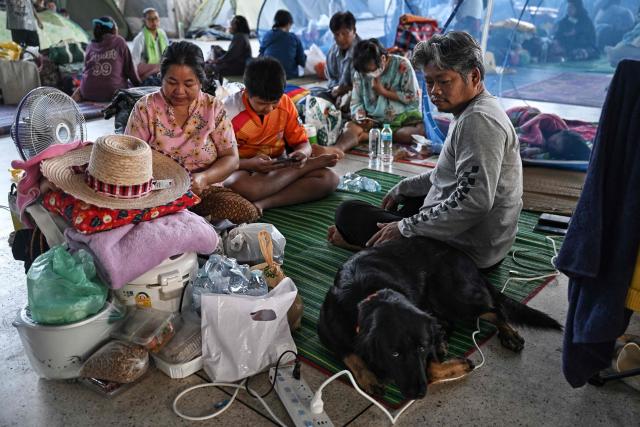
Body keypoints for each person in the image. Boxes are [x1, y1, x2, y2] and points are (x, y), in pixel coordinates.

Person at [327, 32, 523, 271]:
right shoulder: (471, 110)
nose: (434, 91)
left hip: (468, 254)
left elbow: (475, 202)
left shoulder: (478, 121)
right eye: (430, 82)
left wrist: (405, 227)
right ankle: (388, 244)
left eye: (444, 81)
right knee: (406, 198)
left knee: (348, 213)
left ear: (474, 76)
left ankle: (367, 250)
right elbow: (446, 176)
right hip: (480, 240)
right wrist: (405, 187)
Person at [125, 41, 260, 224]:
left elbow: (231, 158)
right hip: (156, 194)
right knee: (133, 218)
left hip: (203, 191)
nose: (180, 91)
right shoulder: (145, 108)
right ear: (161, 78)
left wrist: (204, 178)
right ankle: (185, 225)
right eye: (172, 82)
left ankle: (185, 224)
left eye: (189, 84)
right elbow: (130, 159)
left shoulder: (213, 108)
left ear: (200, 81)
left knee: (245, 212)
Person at [222, 57, 340, 212]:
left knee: (330, 180)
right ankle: (304, 168)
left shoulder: (285, 103)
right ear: (247, 92)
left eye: (274, 102)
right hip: (243, 170)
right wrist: (249, 164)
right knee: (238, 186)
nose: (269, 109)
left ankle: (264, 203)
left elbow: (303, 144)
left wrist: (302, 154)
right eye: (262, 103)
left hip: (279, 167)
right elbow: (218, 159)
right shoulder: (228, 112)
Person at [319, 38, 423, 158]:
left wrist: (383, 92)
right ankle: (337, 149)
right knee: (350, 127)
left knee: (418, 132)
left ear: (383, 59)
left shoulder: (402, 64)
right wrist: (360, 115)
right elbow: (356, 101)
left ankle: (370, 137)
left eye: (372, 70)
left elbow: (413, 97)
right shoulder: (360, 72)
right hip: (374, 120)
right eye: (366, 72)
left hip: (402, 119)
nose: (369, 75)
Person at [73, 17, 141, 103]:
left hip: (88, 92)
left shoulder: (90, 45)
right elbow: (130, 71)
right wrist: (140, 87)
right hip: (112, 93)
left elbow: (86, 70)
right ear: (113, 28)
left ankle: (70, 104)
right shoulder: (119, 41)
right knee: (129, 86)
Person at [324, 11, 360, 109]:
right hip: (337, 94)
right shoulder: (332, 53)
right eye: (336, 34)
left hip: (359, 96)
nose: (340, 38)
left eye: (345, 33)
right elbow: (331, 79)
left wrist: (343, 90)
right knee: (313, 96)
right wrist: (336, 91)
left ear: (354, 30)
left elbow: (366, 86)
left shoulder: (363, 52)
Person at [259, 10, 306, 80]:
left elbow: (261, 54)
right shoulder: (293, 38)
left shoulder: (267, 35)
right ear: (288, 24)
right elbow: (302, 61)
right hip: (289, 75)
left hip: (268, 75)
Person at [131, 7, 169, 83]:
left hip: (160, 70)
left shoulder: (162, 34)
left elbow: (168, 53)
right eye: (150, 19)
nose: (154, 21)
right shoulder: (140, 38)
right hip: (147, 73)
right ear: (144, 21)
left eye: (156, 18)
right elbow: (134, 64)